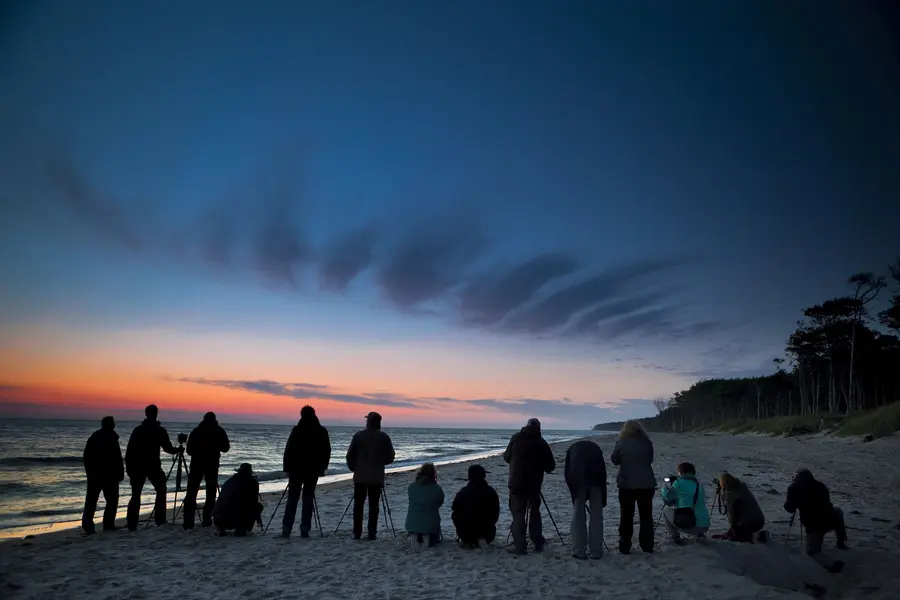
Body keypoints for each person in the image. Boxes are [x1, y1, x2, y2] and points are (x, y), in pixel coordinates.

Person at [503, 417, 555, 555]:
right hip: (533, 484)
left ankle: (520, 546)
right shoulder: (541, 442)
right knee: (534, 511)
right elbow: (551, 466)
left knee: (518, 513)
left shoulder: (516, 438)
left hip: (516, 482)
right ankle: (537, 541)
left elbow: (506, 457)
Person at [784, 468, 848, 573]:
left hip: (814, 525)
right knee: (838, 512)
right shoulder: (820, 485)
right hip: (831, 519)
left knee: (812, 552)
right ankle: (840, 541)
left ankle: (831, 565)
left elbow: (789, 508)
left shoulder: (793, 488)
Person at [125, 404, 178, 530]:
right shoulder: (159, 430)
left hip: (139, 466)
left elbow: (129, 451)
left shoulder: (138, 430)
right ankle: (160, 520)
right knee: (160, 490)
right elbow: (168, 448)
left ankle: (132, 524)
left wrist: (129, 467)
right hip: (151, 466)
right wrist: (177, 450)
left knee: (137, 494)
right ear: (155, 414)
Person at [281, 405, 331, 538]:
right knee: (308, 497)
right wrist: (322, 468)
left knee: (292, 498)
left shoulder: (297, 430)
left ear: (302, 415)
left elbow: (289, 449)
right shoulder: (321, 431)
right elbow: (326, 451)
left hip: (296, 469)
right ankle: (305, 528)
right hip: (313, 470)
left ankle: (287, 527)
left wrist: (287, 467)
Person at [346, 411, 395, 540]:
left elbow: (350, 455)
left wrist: (353, 467)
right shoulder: (384, 437)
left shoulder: (358, 436)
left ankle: (357, 532)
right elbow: (390, 457)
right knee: (374, 506)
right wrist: (380, 462)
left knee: (358, 505)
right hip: (376, 477)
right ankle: (371, 532)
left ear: (368, 422)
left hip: (360, 476)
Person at [610, 419, 656, 554]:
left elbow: (615, 460)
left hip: (627, 483)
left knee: (626, 515)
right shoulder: (647, 443)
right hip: (646, 484)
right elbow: (650, 460)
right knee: (646, 516)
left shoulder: (621, 442)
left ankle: (625, 544)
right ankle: (647, 545)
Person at [182, 411, 230, 530]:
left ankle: (188, 522)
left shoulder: (197, 431)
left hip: (197, 464)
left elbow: (189, 450)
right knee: (210, 494)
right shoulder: (219, 431)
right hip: (212, 464)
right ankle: (207, 520)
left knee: (192, 493)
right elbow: (226, 448)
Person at [564, 439, 607, 559]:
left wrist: (573, 490)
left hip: (578, 480)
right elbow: (603, 471)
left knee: (578, 512)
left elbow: (567, 472)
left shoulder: (572, 450)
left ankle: (579, 550)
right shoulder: (596, 449)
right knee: (596, 514)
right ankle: (596, 551)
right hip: (596, 480)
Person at [82, 416, 125, 534]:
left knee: (110, 501)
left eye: (113, 423)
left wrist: (120, 471)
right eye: (111, 423)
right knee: (92, 501)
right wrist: (90, 473)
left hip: (110, 475)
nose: (113, 425)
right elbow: (87, 457)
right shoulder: (97, 437)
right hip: (99, 475)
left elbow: (118, 458)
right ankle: (89, 526)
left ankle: (107, 524)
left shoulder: (112, 437)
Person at [451, 464, 500, 549]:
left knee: (456, 514)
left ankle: (467, 540)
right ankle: (481, 537)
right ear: (484, 475)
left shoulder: (463, 492)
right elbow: (496, 512)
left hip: (465, 531)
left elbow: (454, 508)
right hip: (487, 531)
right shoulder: (491, 492)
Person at [660, 462, 710, 544]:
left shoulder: (679, 483)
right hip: (704, 525)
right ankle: (700, 536)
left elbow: (668, 500)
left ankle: (674, 536)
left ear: (681, 472)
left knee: (665, 510)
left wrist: (665, 488)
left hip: (688, 524)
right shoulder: (699, 484)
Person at [213, 463, 263, 536]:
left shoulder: (229, 481)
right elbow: (253, 502)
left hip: (219, 519)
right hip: (234, 519)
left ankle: (221, 528)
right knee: (258, 506)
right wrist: (258, 518)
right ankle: (242, 528)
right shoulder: (252, 483)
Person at [405, 462, 445, 550]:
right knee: (428, 530)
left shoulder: (412, 487)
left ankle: (415, 537)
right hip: (430, 524)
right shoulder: (436, 488)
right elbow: (440, 502)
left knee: (417, 527)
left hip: (412, 524)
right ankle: (426, 539)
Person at [717, 472, 765, 542]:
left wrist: (724, 495)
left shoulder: (730, 494)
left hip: (749, 524)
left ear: (724, 484)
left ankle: (754, 537)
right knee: (738, 530)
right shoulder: (742, 487)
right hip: (760, 520)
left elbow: (732, 519)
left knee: (735, 537)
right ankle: (756, 536)